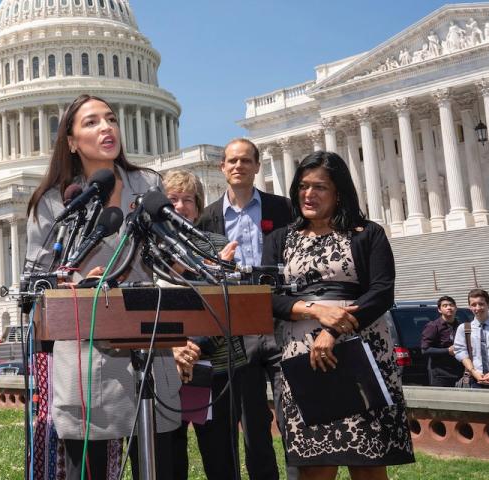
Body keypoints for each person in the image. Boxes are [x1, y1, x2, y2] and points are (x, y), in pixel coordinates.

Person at [26, 94, 181, 479]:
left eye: (110, 119)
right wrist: (76, 282)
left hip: (149, 348)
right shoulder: (55, 202)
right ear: (72, 140)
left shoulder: (148, 185)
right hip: (85, 356)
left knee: (165, 466)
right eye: (91, 122)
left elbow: (167, 256)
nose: (106, 127)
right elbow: (36, 282)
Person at [263, 151, 414, 479]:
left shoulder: (367, 233)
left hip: (361, 353)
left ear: (339, 192)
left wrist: (332, 331)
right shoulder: (279, 239)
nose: (308, 194)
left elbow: (381, 292)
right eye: (303, 186)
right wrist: (314, 310)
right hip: (302, 360)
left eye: (319, 187)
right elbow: (267, 297)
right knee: (315, 466)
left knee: (368, 464)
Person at [195, 138, 293, 480]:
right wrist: (216, 266)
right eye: (232, 161)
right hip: (236, 327)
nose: (238, 166)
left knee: (293, 416)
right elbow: (199, 276)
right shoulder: (206, 219)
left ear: (256, 166)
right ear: (222, 167)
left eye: (245, 160)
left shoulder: (282, 209)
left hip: (280, 321)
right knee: (252, 424)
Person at [159, 169, 241, 480]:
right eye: (172, 200)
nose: (180, 207)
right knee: (168, 456)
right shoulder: (145, 253)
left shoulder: (218, 245)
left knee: (221, 458)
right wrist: (174, 347)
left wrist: (217, 273)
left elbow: (232, 306)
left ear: (198, 205)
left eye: (188, 200)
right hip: (164, 365)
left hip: (214, 364)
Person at [453, 289, 489, 390]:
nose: (477, 308)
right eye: (473, 304)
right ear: (469, 307)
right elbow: (460, 352)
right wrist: (473, 372)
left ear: (488, 305)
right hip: (475, 378)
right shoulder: (463, 328)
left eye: (481, 304)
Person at [420, 296, 464, 387]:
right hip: (440, 374)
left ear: (456, 308)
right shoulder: (433, 326)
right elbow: (425, 350)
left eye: (451, 305)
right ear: (439, 310)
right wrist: (447, 350)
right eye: (445, 305)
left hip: (460, 372)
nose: (449, 307)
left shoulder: (461, 326)